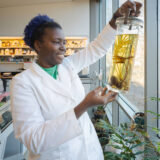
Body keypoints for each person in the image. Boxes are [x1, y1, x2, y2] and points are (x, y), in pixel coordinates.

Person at [11, 1, 142, 160]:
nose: (63, 48)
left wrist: (116, 18)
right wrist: (85, 104)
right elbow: (34, 140)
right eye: (56, 42)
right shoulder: (23, 83)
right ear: (38, 45)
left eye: (64, 42)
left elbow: (97, 48)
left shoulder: (68, 65)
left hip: (89, 152)